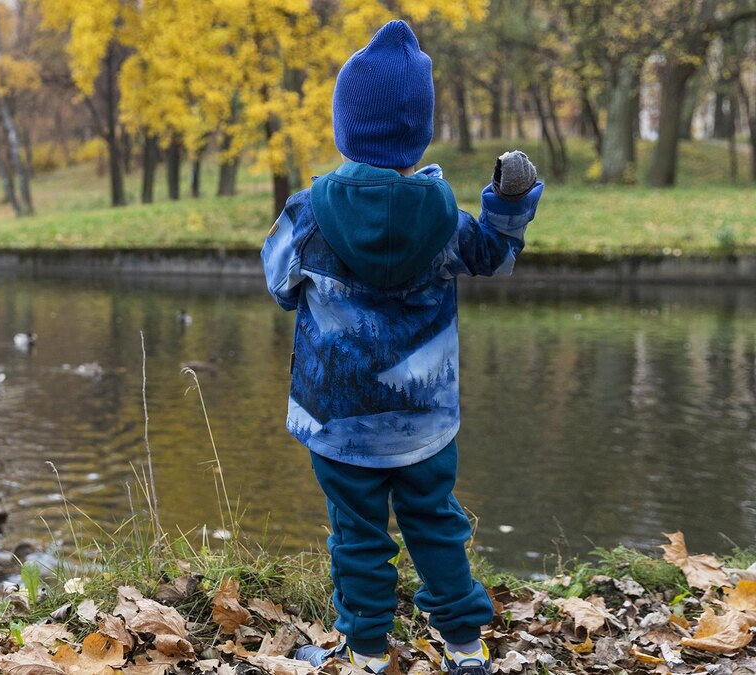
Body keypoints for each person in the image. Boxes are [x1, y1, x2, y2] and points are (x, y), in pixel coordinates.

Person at [261, 19, 544, 675]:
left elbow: (279, 284)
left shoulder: (307, 214)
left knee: (358, 536)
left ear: (345, 128)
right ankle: (467, 649)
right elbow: (495, 257)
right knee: (436, 524)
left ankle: (363, 653)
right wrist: (508, 202)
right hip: (423, 422)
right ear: (417, 135)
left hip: (339, 422)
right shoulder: (443, 216)